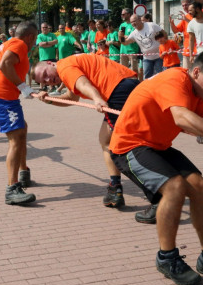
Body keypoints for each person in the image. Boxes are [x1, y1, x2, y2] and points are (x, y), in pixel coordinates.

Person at [109, 48, 203, 285]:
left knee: (200, 186)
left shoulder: (199, 93)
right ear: (196, 71)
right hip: (130, 145)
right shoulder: (174, 79)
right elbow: (180, 116)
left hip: (157, 145)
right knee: (174, 188)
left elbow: (193, 123)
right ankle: (167, 258)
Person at [34, 54, 139, 207]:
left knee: (120, 143)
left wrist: (96, 98)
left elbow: (83, 84)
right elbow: (72, 98)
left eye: (45, 74)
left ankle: (151, 188)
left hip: (117, 91)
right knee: (106, 139)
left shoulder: (64, 67)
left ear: (50, 63)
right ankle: (115, 187)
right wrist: (50, 100)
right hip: (128, 84)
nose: (49, 80)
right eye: (44, 82)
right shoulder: (68, 67)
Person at [0, 21, 39, 205]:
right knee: (15, 139)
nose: (34, 43)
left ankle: (23, 172)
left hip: (0, 96)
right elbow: (5, 64)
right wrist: (22, 86)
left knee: (22, 129)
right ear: (30, 37)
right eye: (35, 39)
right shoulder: (19, 44)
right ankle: (12, 188)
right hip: (2, 97)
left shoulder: (6, 44)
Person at [169, 0, 193, 68]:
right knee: (186, 72)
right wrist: (171, 23)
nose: (184, 7)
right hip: (186, 50)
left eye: (186, 5)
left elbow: (198, 26)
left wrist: (186, 19)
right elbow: (176, 31)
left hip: (197, 50)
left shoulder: (200, 13)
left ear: (192, 4)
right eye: (183, 5)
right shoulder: (185, 17)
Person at [118, 8, 142, 78]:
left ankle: (134, 84)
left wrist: (124, 36)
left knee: (134, 70)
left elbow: (133, 37)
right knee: (123, 70)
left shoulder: (133, 25)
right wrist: (123, 36)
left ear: (128, 14)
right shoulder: (122, 25)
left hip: (132, 51)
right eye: (121, 14)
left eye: (123, 14)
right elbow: (120, 39)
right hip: (123, 51)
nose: (122, 16)